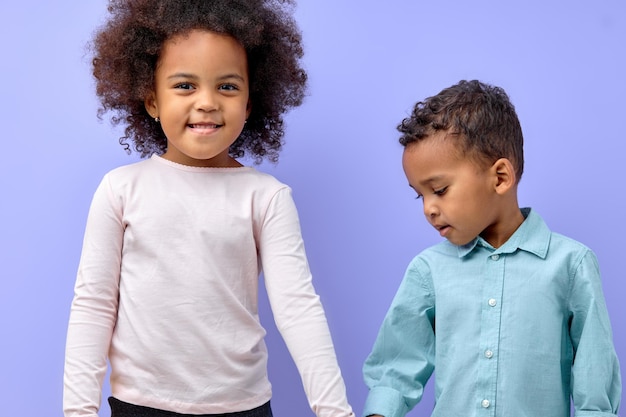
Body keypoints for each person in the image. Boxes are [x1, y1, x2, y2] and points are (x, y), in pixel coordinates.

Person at [63, 1, 354, 417]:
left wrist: (335, 411)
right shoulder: (121, 189)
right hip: (140, 405)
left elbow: (298, 308)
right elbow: (93, 304)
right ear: (151, 100)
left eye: (228, 87)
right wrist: (77, 411)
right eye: (184, 86)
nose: (207, 102)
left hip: (243, 407)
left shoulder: (265, 197)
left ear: (250, 103)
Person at [362, 80, 621, 417]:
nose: (428, 208)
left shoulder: (571, 265)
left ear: (500, 177)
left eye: (439, 190)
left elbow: (594, 385)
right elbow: (395, 372)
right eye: (419, 194)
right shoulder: (428, 271)